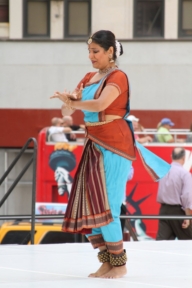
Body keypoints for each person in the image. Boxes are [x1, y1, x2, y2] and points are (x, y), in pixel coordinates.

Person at [50, 30, 170, 279]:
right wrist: (67, 100)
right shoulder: (88, 77)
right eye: (89, 51)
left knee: (109, 205)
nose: (90, 56)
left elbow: (100, 105)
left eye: (95, 51)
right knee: (89, 203)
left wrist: (74, 103)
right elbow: (65, 112)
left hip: (116, 144)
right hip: (93, 143)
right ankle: (106, 261)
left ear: (110, 52)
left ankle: (120, 264)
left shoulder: (119, 77)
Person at [156, 147, 192, 240]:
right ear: (184, 158)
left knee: (162, 244)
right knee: (188, 241)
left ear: (171, 156)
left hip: (164, 210)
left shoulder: (163, 171)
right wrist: (188, 216)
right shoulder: (185, 174)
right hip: (178, 211)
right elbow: (186, 196)